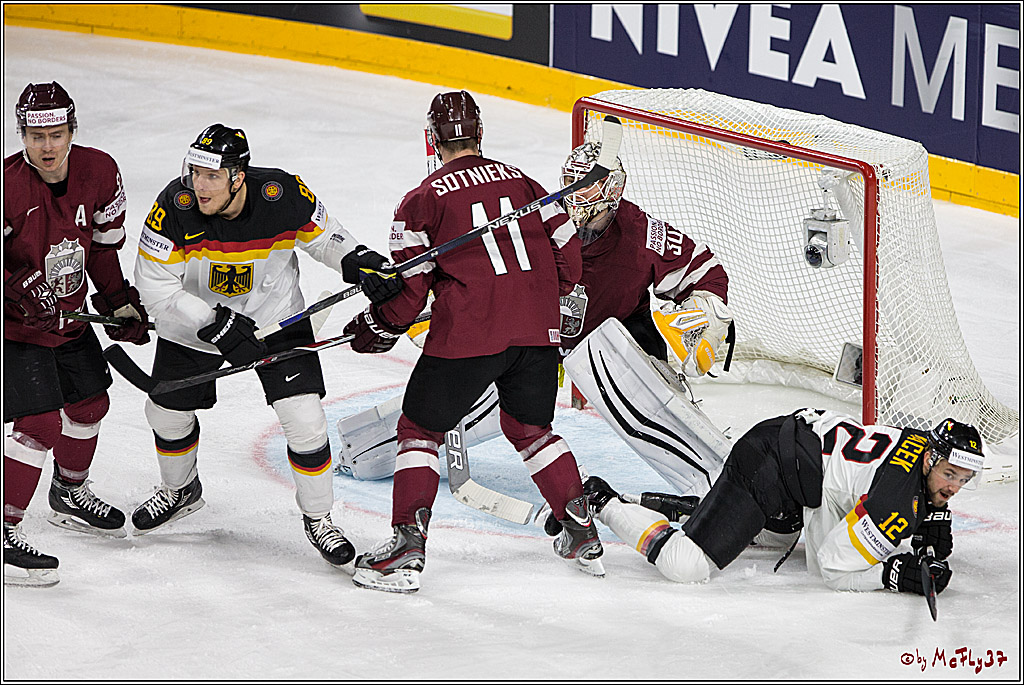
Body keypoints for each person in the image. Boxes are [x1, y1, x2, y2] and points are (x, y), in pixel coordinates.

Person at [335, 141, 734, 496]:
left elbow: (707, 272)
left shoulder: (642, 234)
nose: (575, 200)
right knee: (407, 432)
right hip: (534, 345)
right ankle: (360, 450)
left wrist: (704, 315)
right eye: (571, 187)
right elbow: (486, 269)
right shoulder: (542, 218)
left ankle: (733, 488)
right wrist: (450, 310)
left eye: (587, 191)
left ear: (612, 191)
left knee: (642, 394)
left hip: (618, 349)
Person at [342, 90, 601, 593]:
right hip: (536, 335)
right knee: (531, 430)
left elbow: (411, 290)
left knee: (420, 428)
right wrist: (548, 297)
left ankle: (406, 548)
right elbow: (568, 252)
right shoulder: (525, 183)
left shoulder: (422, 200)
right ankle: (579, 530)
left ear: (432, 139)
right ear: (480, 135)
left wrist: (379, 324)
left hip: (469, 335)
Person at [129, 123, 400, 570]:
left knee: (306, 422)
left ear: (239, 176)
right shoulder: (173, 207)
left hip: (276, 321)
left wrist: (356, 259)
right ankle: (181, 491)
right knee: (165, 412)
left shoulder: (283, 193)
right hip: (195, 323)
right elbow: (155, 285)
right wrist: (210, 323)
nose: (199, 184)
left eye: (212, 176)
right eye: (196, 172)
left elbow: (326, 236)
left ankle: (319, 518)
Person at [581, 410, 982, 596]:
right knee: (686, 567)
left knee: (767, 540)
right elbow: (833, 569)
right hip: (769, 464)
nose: (953, 488)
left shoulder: (921, 445)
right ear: (930, 459)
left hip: (802, 473)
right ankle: (604, 499)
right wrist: (893, 575)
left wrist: (931, 515)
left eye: (963, 480)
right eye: (950, 475)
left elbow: (888, 483)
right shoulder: (894, 503)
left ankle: (695, 509)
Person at [4, 81, 151, 587]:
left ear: (72, 131)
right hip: (14, 327)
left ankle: (68, 492)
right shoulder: (5, 186)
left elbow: (103, 252)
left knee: (89, 405)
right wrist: (17, 288)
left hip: (68, 317)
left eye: (57, 133)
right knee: (40, 423)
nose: (47, 146)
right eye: (37, 135)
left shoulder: (101, 171)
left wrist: (119, 303)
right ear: (22, 134)